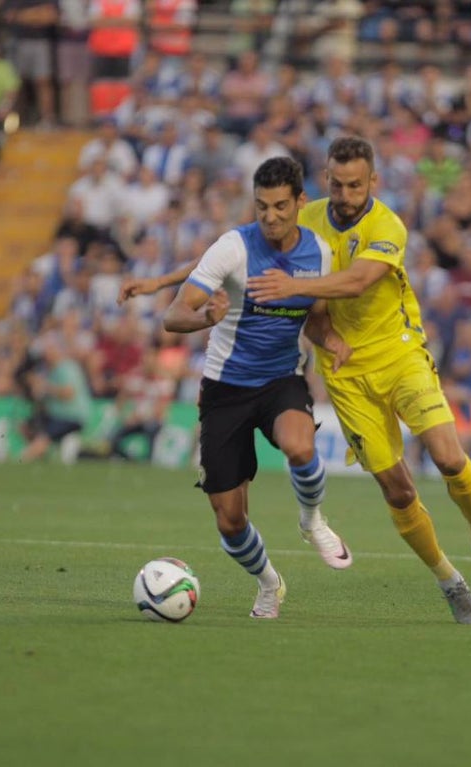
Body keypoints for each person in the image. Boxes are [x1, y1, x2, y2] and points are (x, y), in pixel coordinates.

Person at [246, 137, 471, 625]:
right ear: (325, 180)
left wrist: (293, 286)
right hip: (346, 374)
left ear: (373, 182)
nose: (346, 194)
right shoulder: (305, 221)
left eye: (356, 184)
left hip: (400, 355)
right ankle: (450, 583)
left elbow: (356, 281)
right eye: (337, 183)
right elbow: (302, 307)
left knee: (447, 456)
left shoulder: (387, 225)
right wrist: (323, 332)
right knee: (398, 492)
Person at [155, 156, 354, 619]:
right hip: (225, 388)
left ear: (300, 202)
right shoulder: (233, 248)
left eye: (281, 206)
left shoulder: (320, 253)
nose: (271, 217)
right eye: (262, 206)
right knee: (230, 520)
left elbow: (316, 322)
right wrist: (205, 317)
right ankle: (268, 582)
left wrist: (334, 342)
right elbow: (172, 316)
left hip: (282, 380)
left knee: (300, 448)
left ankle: (313, 522)